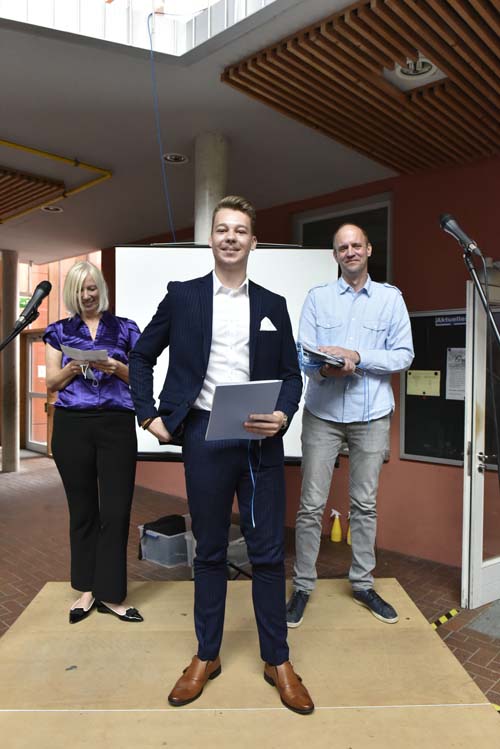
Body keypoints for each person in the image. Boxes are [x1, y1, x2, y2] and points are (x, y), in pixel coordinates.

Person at [129, 195, 314, 715]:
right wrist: (148, 415)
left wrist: (283, 415)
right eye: (222, 229)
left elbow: (292, 377)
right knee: (209, 551)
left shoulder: (273, 304)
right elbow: (141, 356)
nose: (231, 237)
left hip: (260, 440)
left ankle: (277, 660)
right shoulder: (183, 296)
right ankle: (206, 655)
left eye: (240, 230)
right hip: (204, 437)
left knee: (267, 554)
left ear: (254, 242)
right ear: (211, 239)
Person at [287, 223, 414, 628]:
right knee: (310, 505)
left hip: (371, 415)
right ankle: (302, 586)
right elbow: (302, 356)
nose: (350, 252)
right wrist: (325, 368)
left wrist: (357, 356)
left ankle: (362, 583)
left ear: (369, 249)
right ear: (335, 255)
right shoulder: (318, 297)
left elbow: (404, 355)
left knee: (364, 504)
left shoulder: (391, 299)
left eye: (356, 245)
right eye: (343, 247)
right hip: (322, 414)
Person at [44, 261, 143, 624]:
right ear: (72, 293)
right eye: (80, 289)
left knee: (116, 512)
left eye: (92, 288)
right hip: (72, 426)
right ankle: (86, 589)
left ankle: (112, 595)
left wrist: (117, 368)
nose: (87, 295)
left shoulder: (127, 328)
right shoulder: (58, 331)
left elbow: (142, 378)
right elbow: (51, 382)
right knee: (83, 510)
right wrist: (73, 367)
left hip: (116, 424)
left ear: (101, 289)